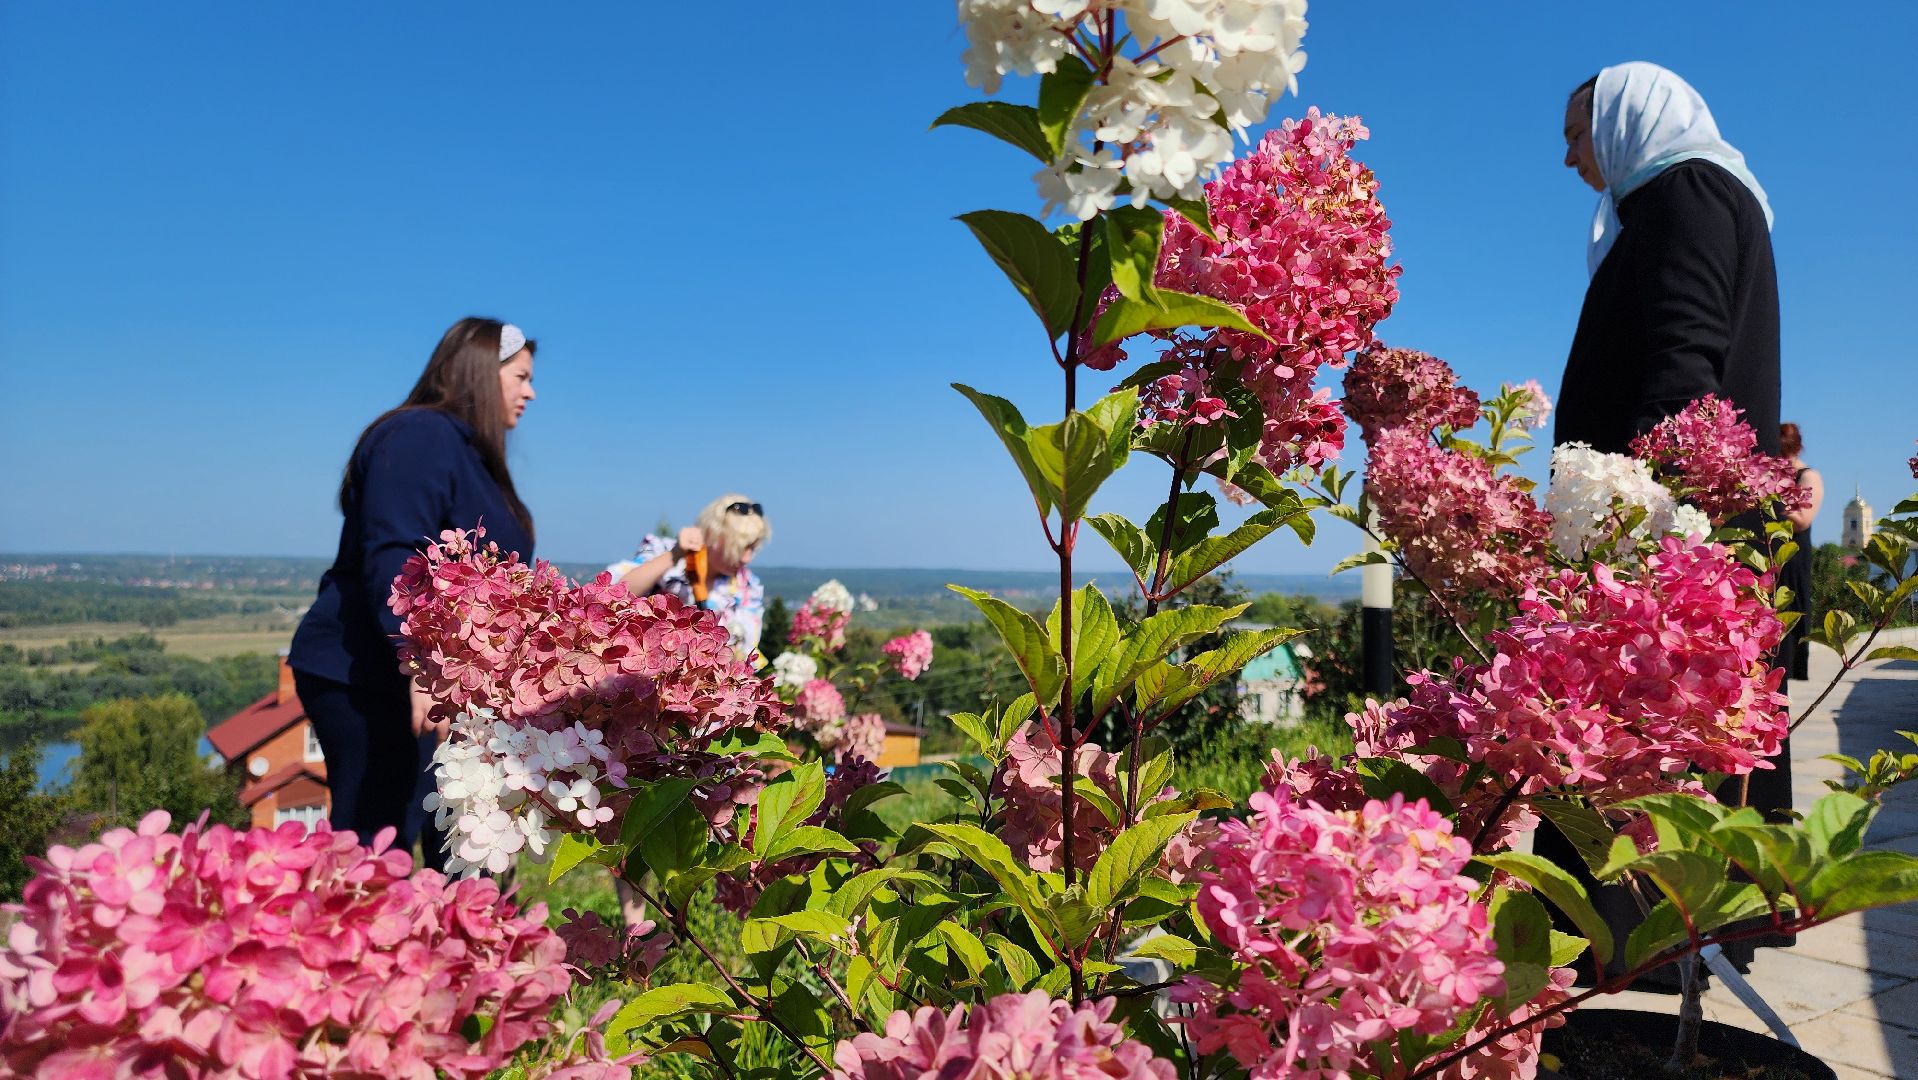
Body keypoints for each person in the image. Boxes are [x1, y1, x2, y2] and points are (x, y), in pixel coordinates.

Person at [288, 317, 538, 868]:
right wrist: (424, 662)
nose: (530, 392)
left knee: (460, 850)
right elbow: (394, 554)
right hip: (372, 675)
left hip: (435, 683)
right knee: (378, 848)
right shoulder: (420, 435)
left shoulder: (471, 456)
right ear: (480, 371)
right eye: (520, 376)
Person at [1555, 62, 1779, 456]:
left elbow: (1686, 364)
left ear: (1620, 120)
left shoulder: (1688, 191)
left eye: (1576, 136)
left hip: (1666, 507)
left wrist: (1646, 499)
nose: (1569, 159)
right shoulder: (1655, 207)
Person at [607, 495, 772, 664]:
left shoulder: (746, 586)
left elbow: (745, 652)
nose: (747, 558)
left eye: (752, 548)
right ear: (713, 536)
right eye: (740, 547)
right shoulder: (665, 551)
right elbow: (615, 594)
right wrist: (675, 555)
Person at [1777, 423, 1824, 682]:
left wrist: (1769, 497)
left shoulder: (1808, 476)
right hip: (1768, 557)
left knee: (1787, 628)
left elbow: (1802, 519)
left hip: (1792, 559)